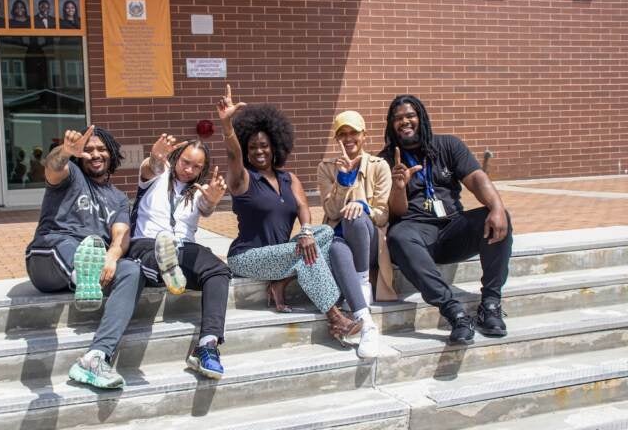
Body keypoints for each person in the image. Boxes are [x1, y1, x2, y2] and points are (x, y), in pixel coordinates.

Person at [217, 84, 362, 347]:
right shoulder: (243, 178)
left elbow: (304, 208)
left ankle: (280, 282)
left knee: (325, 232)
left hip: (282, 252)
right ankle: (336, 319)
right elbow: (232, 154)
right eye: (252, 148)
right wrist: (228, 127)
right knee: (305, 254)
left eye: (264, 146)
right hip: (247, 257)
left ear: (275, 146)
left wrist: (306, 231)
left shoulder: (288, 178)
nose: (259, 152)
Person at [379, 94, 512, 345]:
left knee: (496, 216)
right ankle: (455, 312)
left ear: (421, 118)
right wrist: (398, 187)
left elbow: (476, 178)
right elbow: (394, 214)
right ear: (391, 125)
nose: (404, 122)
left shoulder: (448, 145)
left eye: (410, 115)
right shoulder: (385, 160)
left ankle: (491, 304)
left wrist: (497, 206)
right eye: (397, 119)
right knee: (397, 235)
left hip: (453, 228)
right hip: (416, 233)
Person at [25, 125, 141, 390]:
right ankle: (81, 274)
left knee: (131, 271)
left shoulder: (119, 198)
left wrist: (112, 257)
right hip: (48, 258)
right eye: (88, 150)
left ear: (111, 154)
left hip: (94, 259)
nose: (95, 154)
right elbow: (54, 167)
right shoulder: (71, 175)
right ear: (80, 156)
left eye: (101, 149)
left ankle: (96, 356)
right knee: (68, 246)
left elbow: (121, 233)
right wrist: (65, 151)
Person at [127, 135, 231, 379]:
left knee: (218, 270)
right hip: (147, 242)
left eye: (196, 167)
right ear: (175, 158)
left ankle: (207, 345)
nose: (189, 170)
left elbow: (206, 209)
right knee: (155, 254)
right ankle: (163, 268)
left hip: (183, 247)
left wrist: (213, 199)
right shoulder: (157, 174)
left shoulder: (198, 191)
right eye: (185, 162)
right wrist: (154, 156)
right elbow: (149, 167)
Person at [317, 110, 394, 358]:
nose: (348, 138)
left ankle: (361, 281)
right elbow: (330, 210)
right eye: (342, 134)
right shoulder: (327, 167)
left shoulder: (379, 166)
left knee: (356, 216)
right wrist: (342, 179)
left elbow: (383, 214)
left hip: (368, 243)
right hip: (338, 241)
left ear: (364, 135)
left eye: (353, 133)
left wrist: (361, 206)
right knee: (336, 247)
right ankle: (366, 322)